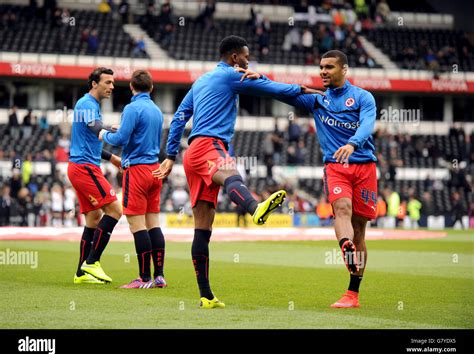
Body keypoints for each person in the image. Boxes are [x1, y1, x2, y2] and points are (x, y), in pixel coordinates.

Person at [155, 35, 309, 309]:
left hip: (192, 154)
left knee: (202, 230)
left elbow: (179, 117)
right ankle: (254, 208)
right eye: (246, 57)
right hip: (211, 145)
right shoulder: (231, 75)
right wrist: (304, 92)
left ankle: (206, 295)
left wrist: (169, 156)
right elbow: (273, 90)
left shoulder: (200, 81)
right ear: (235, 57)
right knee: (231, 174)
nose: (248, 63)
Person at [242, 50, 377, 308]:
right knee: (342, 209)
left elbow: (367, 123)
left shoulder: (363, 97)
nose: (323, 71)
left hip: (364, 167)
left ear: (344, 69)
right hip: (336, 166)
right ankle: (344, 245)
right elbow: (283, 92)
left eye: (329, 67)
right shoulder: (318, 101)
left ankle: (353, 293)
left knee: (361, 230)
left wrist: (353, 143)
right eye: (321, 67)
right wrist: (260, 78)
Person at [100, 70, 167, 289]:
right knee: (153, 224)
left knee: (137, 226)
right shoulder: (157, 111)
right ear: (152, 88)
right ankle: (159, 276)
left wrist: (103, 135)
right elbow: (141, 134)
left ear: (131, 87)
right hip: (155, 170)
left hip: (136, 172)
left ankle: (143, 278)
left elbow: (120, 139)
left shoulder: (131, 108)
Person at [67, 67, 123, 285]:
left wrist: (112, 158)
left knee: (93, 218)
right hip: (85, 168)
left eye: (112, 82)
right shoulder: (86, 104)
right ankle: (92, 262)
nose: (111, 86)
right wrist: (114, 131)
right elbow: (95, 128)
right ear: (94, 84)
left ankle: (81, 273)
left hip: (81, 166)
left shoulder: (90, 106)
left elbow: (90, 141)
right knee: (116, 210)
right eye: (107, 82)